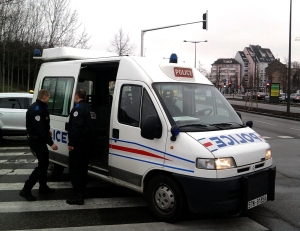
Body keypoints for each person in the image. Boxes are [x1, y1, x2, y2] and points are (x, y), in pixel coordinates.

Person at [20, 89, 58, 201]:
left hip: (39, 140)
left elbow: (42, 126)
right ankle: (26, 189)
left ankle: (43, 186)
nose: (49, 99)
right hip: (37, 141)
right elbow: (39, 130)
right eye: (49, 97)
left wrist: (47, 130)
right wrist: (51, 143)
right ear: (45, 97)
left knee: (44, 163)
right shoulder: (37, 109)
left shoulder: (40, 107)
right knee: (42, 165)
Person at [66, 89, 96, 205]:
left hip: (78, 145)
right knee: (83, 170)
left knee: (75, 170)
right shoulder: (90, 109)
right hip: (87, 145)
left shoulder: (78, 109)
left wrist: (71, 143)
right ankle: (82, 192)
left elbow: (76, 128)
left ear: (77, 96)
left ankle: (78, 196)